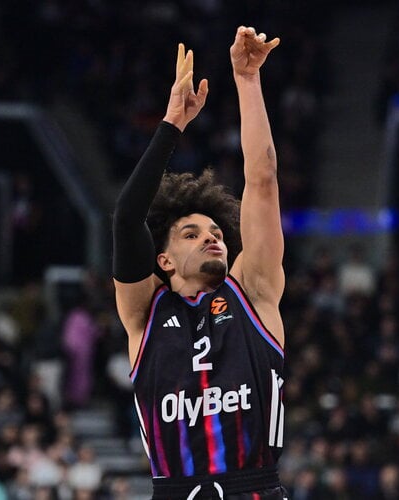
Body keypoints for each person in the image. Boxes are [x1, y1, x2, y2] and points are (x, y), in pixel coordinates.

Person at [112, 26, 288, 499]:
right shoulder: (143, 313)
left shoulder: (253, 289)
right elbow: (127, 217)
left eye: (216, 233)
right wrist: (172, 123)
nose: (211, 238)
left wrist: (247, 80)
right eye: (191, 234)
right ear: (164, 260)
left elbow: (263, 180)